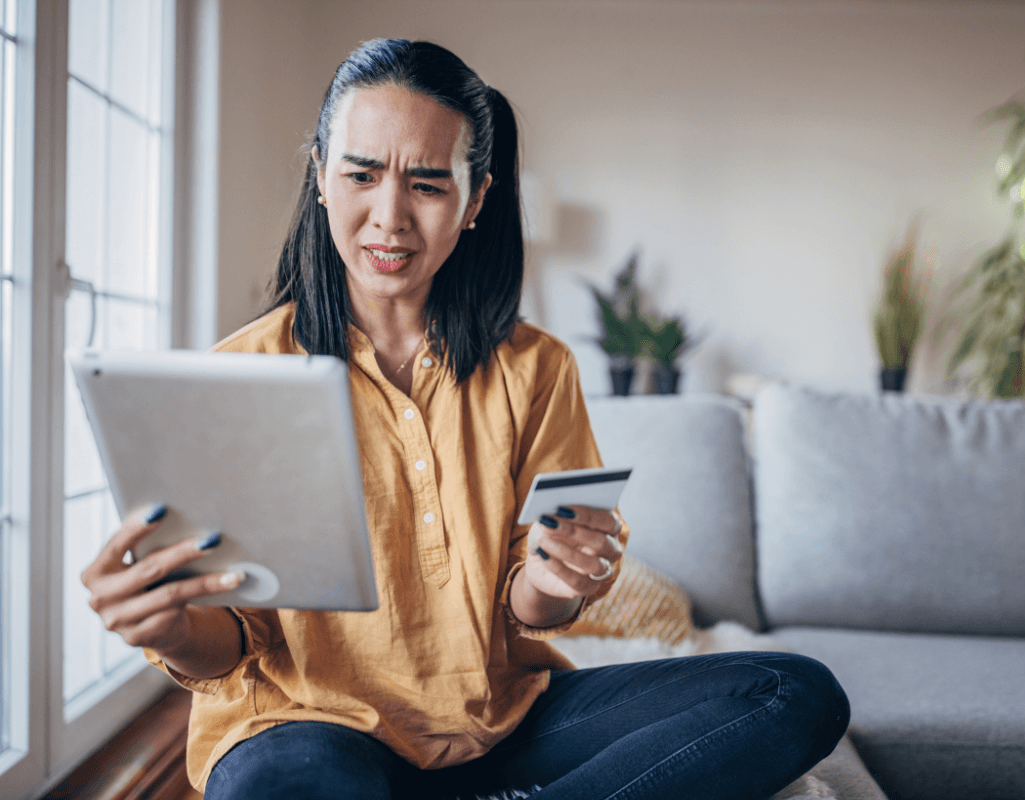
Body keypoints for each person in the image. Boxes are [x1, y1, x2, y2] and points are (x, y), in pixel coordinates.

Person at [80, 38, 849, 800]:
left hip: (502, 725)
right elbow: (229, 645)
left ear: (475, 199)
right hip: (305, 727)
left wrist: (551, 583)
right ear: (320, 176)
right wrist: (168, 627)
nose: (390, 217)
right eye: (360, 174)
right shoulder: (241, 375)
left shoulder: (536, 367)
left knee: (793, 693)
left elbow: (528, 606)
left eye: (427, 184)